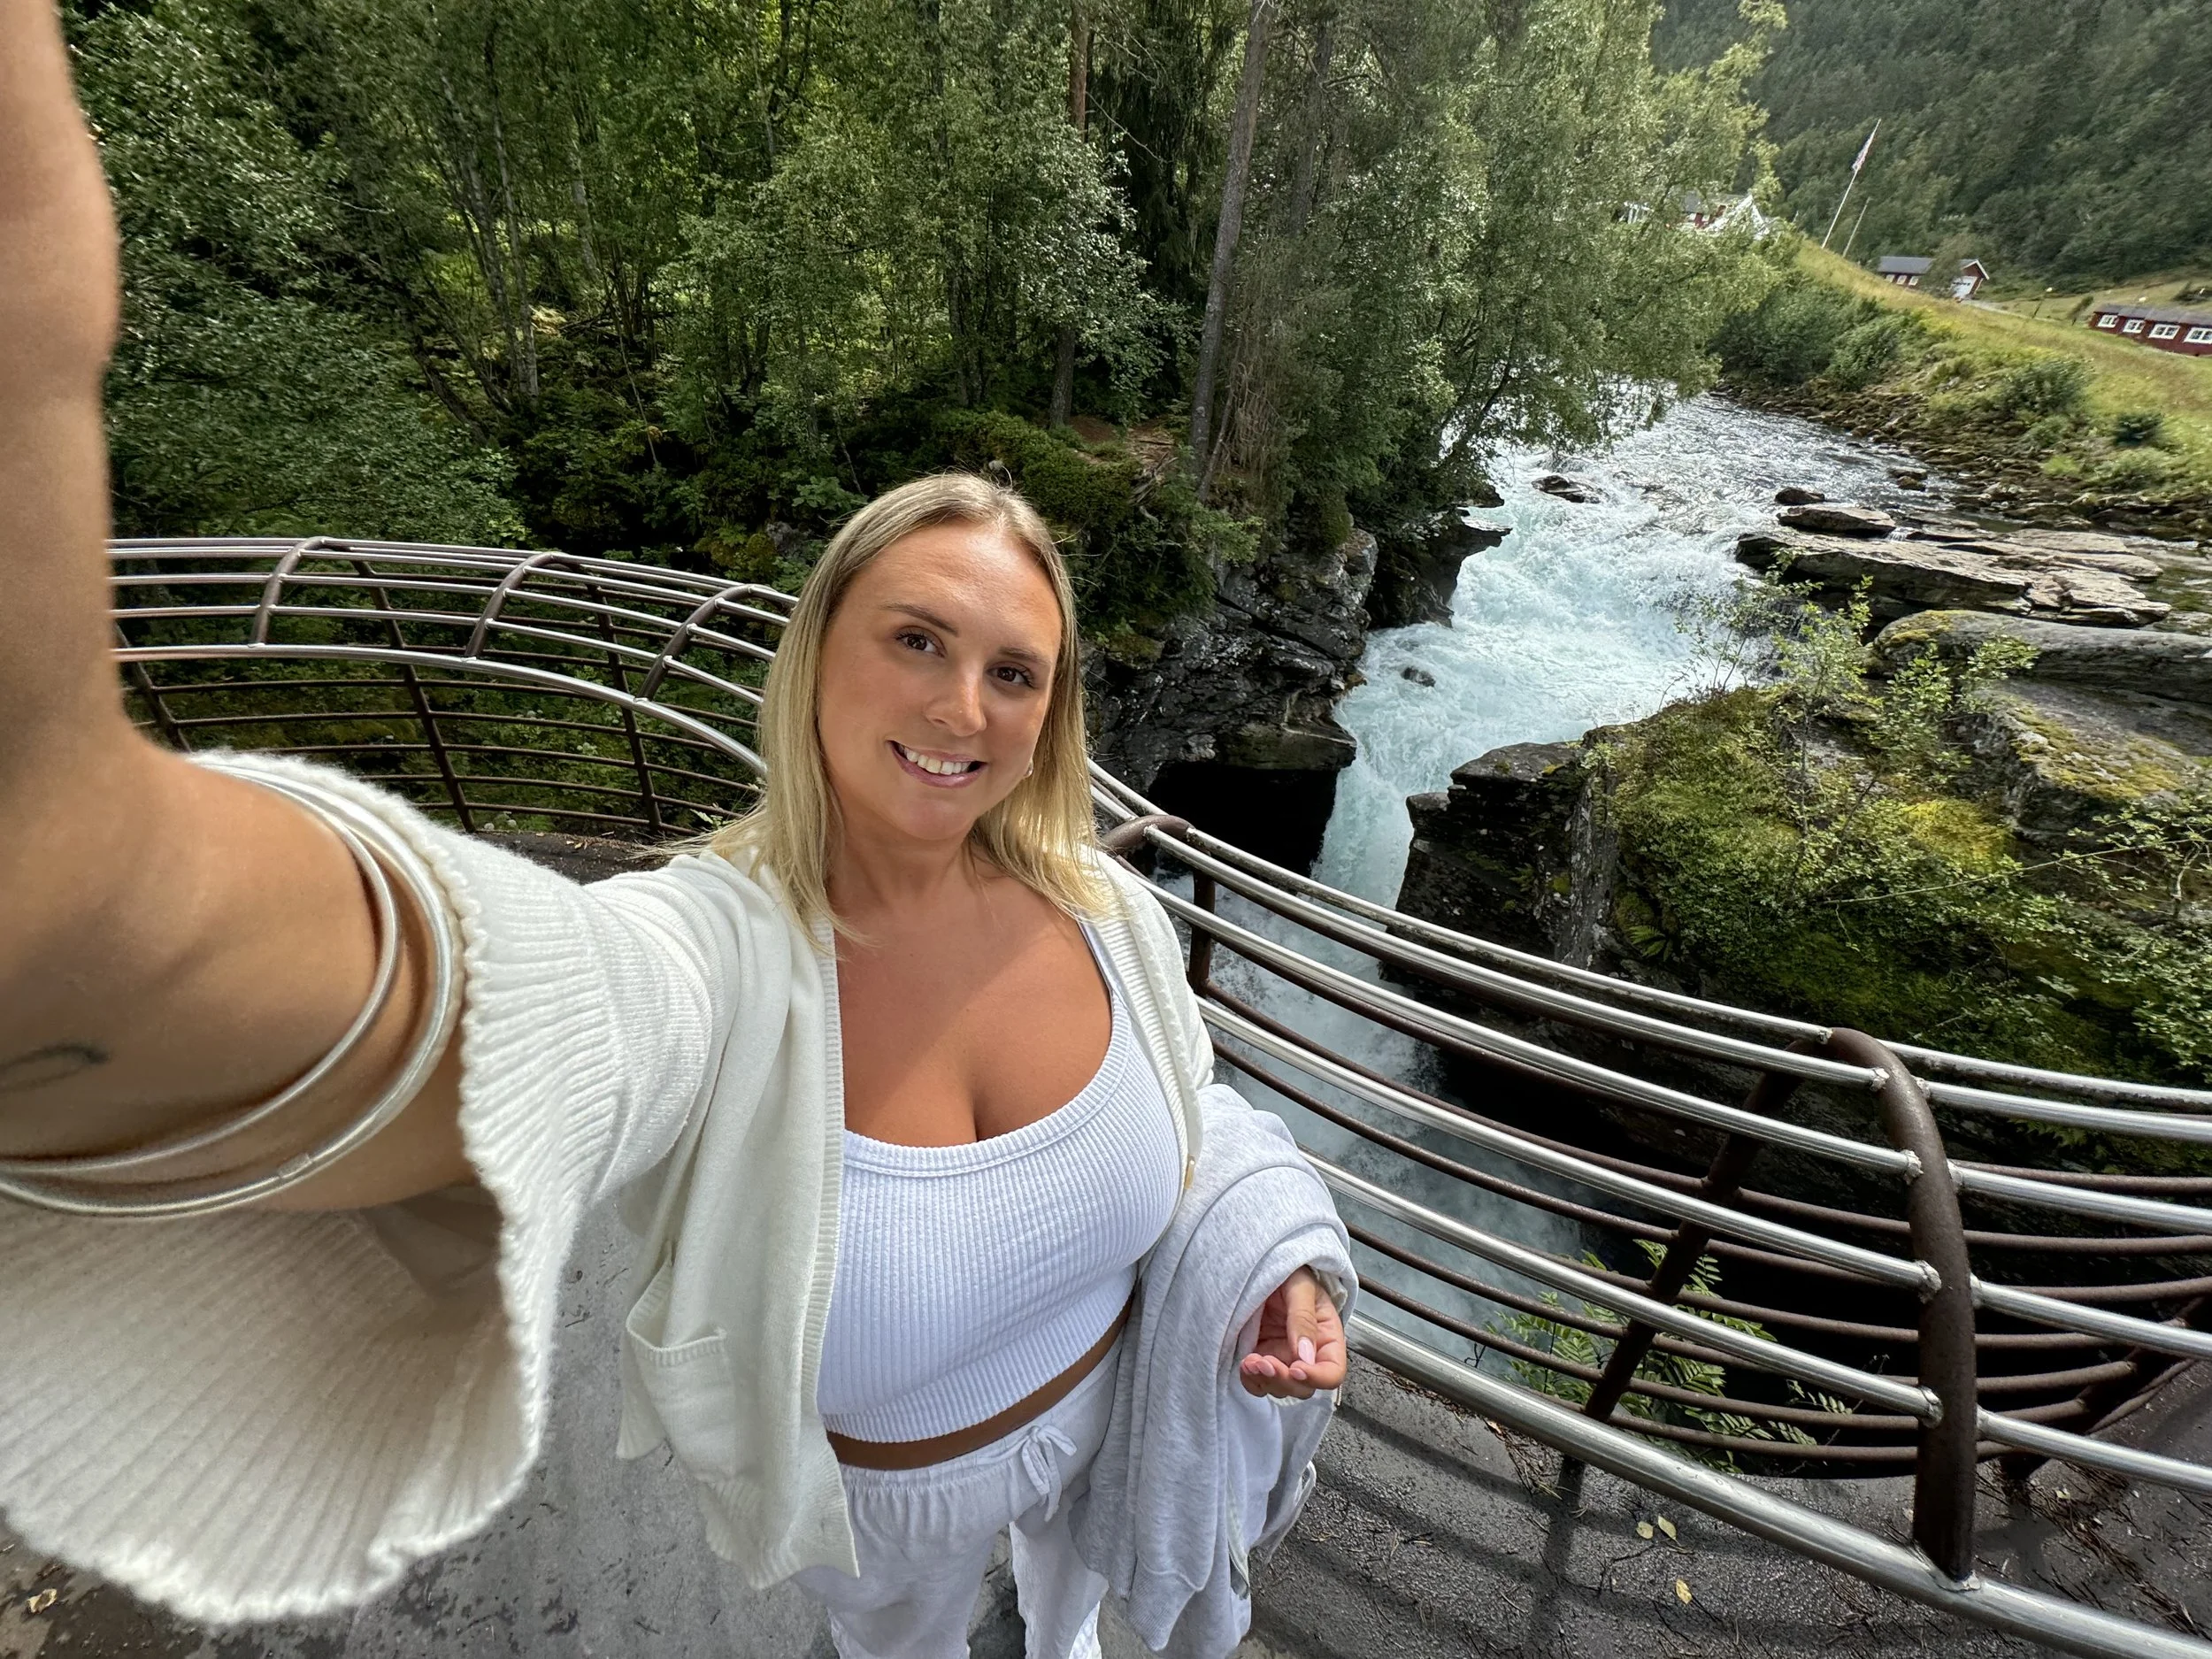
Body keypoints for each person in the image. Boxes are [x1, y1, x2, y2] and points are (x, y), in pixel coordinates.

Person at [0, 4, 1349, 1654]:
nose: (964, 709)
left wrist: (1272, 1251)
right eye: (915, 638)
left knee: (1085, 1632)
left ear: (1055, 715)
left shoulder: (1109, 915)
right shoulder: (712, 959)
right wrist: (90, 895)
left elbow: (1199, 1118)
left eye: (1016, 672)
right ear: (818, 652)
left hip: (1116, 1436)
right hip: (881, 1520)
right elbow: (520, 1003)